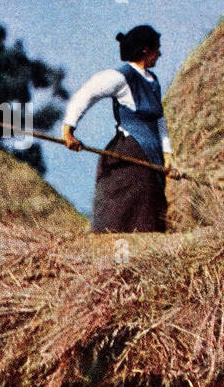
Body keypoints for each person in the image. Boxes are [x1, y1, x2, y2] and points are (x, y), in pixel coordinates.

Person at [62, 25, 170, 233]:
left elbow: (159, 120)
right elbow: (87, 94)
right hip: (131, 151)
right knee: (124, 212)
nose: (161, 53)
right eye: (158, 48)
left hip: (153, 157)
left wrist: (168, 154)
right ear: (146, 50)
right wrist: (69, 130)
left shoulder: (152, 80)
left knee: (150, 210)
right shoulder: (121, 76)